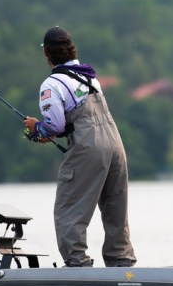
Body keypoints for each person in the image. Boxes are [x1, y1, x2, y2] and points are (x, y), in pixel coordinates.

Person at [24, 26, 137, 268]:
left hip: (88, 147)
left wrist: (37, 128)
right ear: (72, 49)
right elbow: (77, 120)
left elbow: (54, 125)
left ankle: (77, 263)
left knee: (69, 208)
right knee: (115, 207)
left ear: (46, 53)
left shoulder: (52, 84)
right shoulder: (89, 76)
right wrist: (56, 130)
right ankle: (121, 262)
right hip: (114, 142)